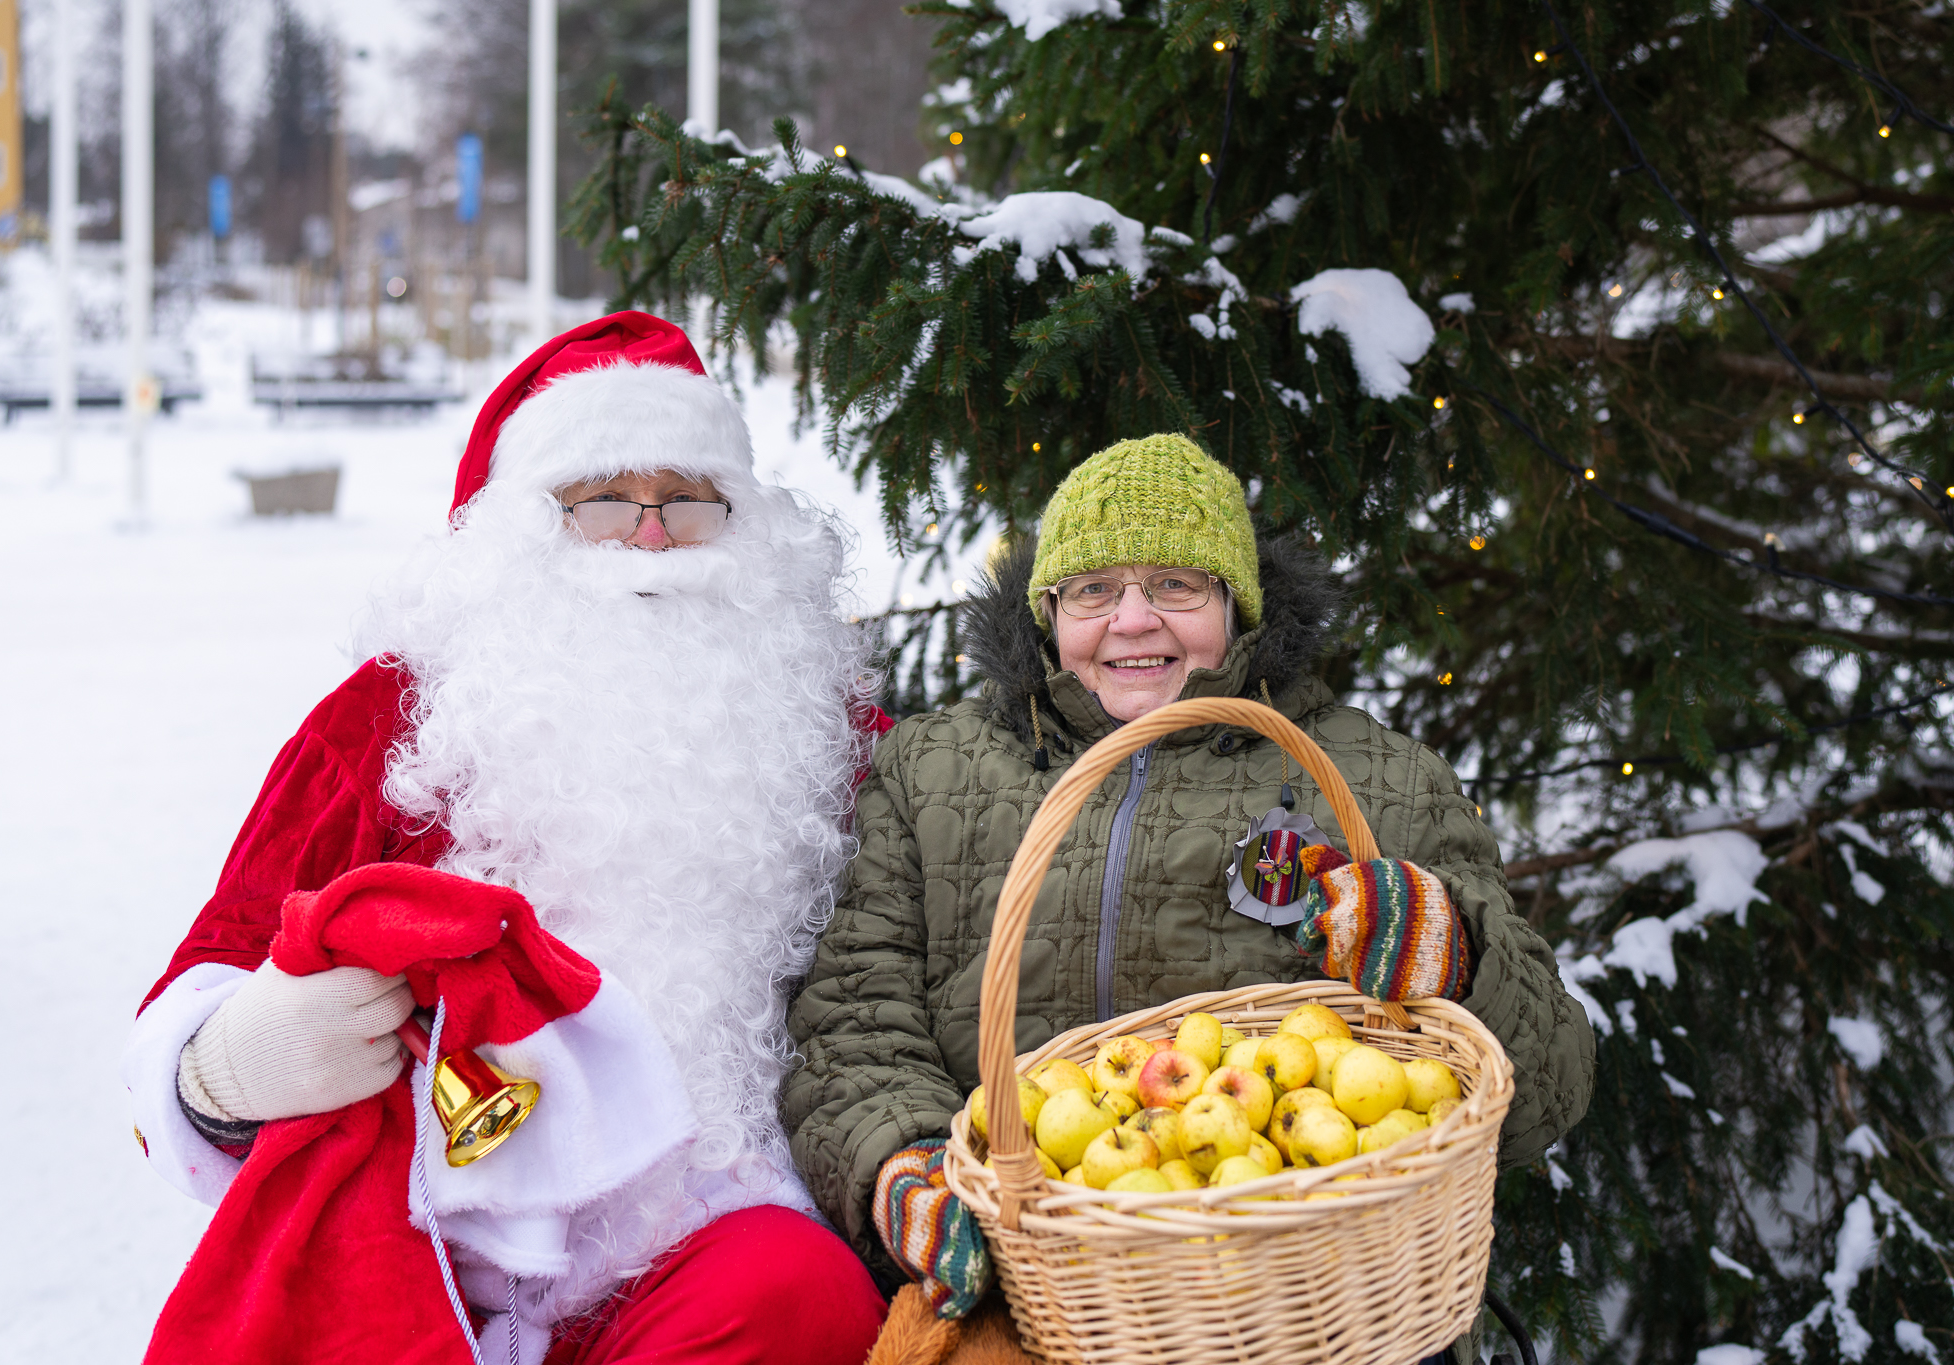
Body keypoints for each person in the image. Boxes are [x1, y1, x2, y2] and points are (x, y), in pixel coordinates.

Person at [123, 312, 889, 1365]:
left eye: (687, 500)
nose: (652, 533)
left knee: (801, 1299)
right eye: (605, 499)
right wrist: (220, 1073)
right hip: (430, 1242)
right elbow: (219, 954)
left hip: (704, 1236)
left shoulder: (822, 724)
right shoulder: (392, 715)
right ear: (521, 527)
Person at [784, 433, 1595, 1357]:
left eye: (1176, 584)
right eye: (1094, 590)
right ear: (1047, 612)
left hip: (1305, 1292)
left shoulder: (1371, 777)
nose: (1133, 621)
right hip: (1029, 1284)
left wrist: (1456, 958)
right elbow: (855, 1012)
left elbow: (1548, 1090)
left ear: (1236, 604)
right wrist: (907, 1161)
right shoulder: (931, 768)